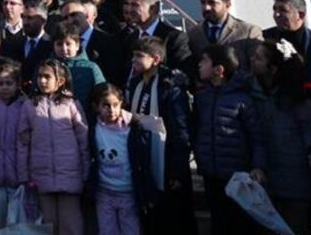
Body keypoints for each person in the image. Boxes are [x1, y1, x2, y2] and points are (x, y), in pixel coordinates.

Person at [191, 44, 265, 235]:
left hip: (237, 175)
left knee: (239, 224)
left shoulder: (242, 100)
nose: (199, 65)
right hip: (210, 173)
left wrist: (257, 166)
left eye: (205, 60)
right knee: (218, 222)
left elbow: (257, 136)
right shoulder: (202, 97)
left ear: (219, 70)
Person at [125, 37, 194, 235]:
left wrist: (178, 170)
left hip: (169, 161)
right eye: (133, 55)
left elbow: (180, 130)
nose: (134, 60)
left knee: (173, 219)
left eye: (139, 56)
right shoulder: (136, 82)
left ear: (156, 59)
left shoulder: (169, 85)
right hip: (144, 159)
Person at [248, 40, 311, 235]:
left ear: (273, 68)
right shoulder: (256, 93)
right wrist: (258, 165)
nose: (252, 60)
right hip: (269, 177)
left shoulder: (295, 98)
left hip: (297, 179)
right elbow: (257, 136)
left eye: (259, 58)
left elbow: (309, 134)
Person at [16, 59, 89, 235]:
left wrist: (85, 170)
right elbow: (23, 142)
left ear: (61, 81)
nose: (42, 81)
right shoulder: (29, 106)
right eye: (40, 77)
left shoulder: (71, 105)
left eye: (47, 77)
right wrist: (24, 174)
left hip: (69, 174)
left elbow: (83, 139)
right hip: (41, 175)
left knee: (71, 224)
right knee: (47, 226)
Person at [88, 83, 156, 235]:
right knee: (107, 230)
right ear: (96, 106)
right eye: (105, 105)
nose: (111, 110)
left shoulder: (132, 127)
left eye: (115, 105)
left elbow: (143, 161)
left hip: (128, 191)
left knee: (131, 229)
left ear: (121, 104)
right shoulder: (94, 127)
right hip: (104, 192)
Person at [263, 0, 311, 110]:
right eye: (274, 9)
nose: (276, 14)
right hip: (276, 107)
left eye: (283, 10)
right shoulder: (264, 38)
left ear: (301, 15)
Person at [186, 0, 262, 73]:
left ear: (227, 5)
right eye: (203, 2)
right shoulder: (193, 34)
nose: (206, 8)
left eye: (212, 3)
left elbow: (258, 68)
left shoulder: (248, 32)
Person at [0, 61, 25, 229]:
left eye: (9, 83)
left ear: (17, 85)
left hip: (18, 170)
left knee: (17, 219)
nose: (5, 87)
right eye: (1, 83)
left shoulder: (24, 105)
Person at [51, 21, 105, 116]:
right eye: (59, 44)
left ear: (77, 45)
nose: (64, 48)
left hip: (84, 120)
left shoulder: (91, 68)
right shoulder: (46, 67)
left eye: (68, 44)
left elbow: (103, 95)